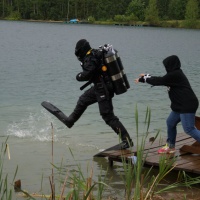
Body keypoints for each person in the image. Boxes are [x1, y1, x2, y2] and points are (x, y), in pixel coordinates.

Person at [46, 39, 133, 149]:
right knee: (83, 100)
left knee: (108, 116)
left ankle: (127, 140)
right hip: (100, 87)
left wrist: (79, 76)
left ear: (81, 50)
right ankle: (70, 121)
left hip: (103, 89)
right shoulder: (95, 53)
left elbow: (88, 73)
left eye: (78, 52)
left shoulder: (90, 57)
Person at [135, 55, 200, 154]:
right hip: (180, 105)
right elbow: (162, 79)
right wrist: (146, 77)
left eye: (166, 65)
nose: (165, 67)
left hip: (187, 105)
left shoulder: (175, 74)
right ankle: (171, 147)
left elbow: (159, 81)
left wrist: (144, 79)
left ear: (171, 65)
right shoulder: (173, 75)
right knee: (170, 122)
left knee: (189, 129)